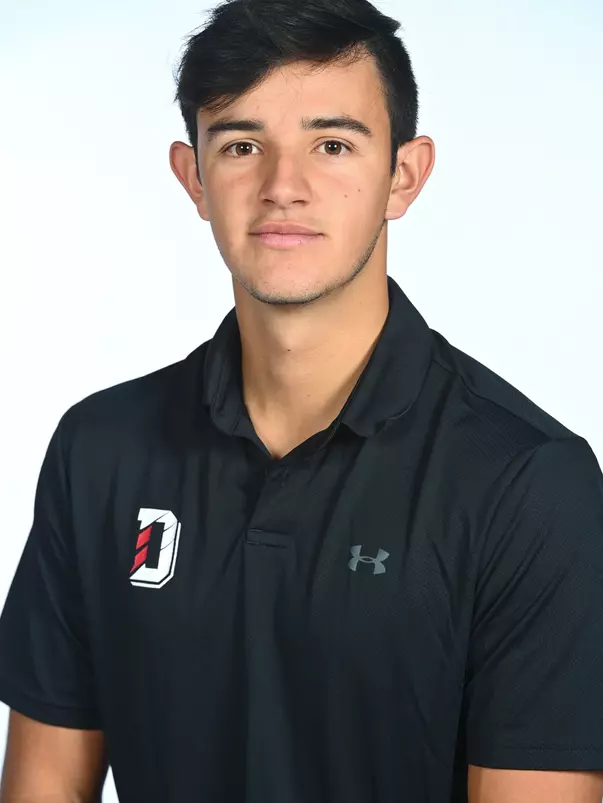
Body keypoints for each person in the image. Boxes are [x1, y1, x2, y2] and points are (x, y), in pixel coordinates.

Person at [1, 0, 603, 800]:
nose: (284, 186)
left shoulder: (529, 484)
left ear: (403, 174)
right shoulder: (100, 449)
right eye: (243, 145)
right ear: (194, 178)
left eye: (331, 144)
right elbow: (43, 786)